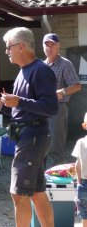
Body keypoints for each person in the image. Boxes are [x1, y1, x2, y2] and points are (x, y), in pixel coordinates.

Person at [0, 27, 58, 227]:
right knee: (36, 192)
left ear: (21, 46)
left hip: (33, 137)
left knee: (18, 193)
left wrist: (20, 102)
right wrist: (1, 105)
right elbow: (22, 110)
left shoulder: (41, 70)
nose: (6, 51)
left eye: (8, 47)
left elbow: (51, 108)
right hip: (30, 135)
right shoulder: (24, 71)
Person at [42, 33, 81, 166]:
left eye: (53, 45)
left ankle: (59, 179)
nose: (50, 48)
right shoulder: (42, 65)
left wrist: (62, 92)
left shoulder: (65, 64)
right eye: (47, 45)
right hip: (42, 109)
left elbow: (77, 85)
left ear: (58, 46)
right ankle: (43, 179)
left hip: (57, 110)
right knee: (42, 145)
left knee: (56, 148)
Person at [72, 121, 87, 227]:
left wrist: (79, 182)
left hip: (83, 183)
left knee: (84, 214)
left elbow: (77, 164)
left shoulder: (81, 142)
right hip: (83, 182)